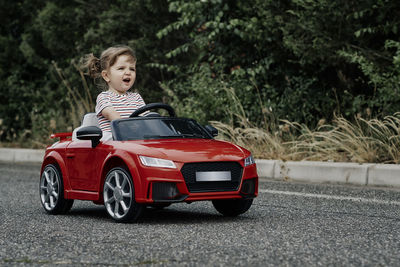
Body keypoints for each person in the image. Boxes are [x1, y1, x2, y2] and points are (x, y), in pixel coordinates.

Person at [82, 45, 146, 135]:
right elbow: (111, 114)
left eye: (132, 69)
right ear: (106, 76)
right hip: (113, 142)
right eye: (121, 68)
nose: (128, 72)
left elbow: (146, 119)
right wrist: (130, 131)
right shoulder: (104, 97)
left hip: (136, 141)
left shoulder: (136, 97)